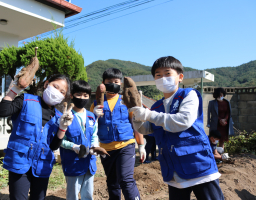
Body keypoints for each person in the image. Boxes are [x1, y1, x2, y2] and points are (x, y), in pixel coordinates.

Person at [130, 56, 224, 200]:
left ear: (180, 77)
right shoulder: (156, 106)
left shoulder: (189, 95)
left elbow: (182, 121)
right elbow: (147, 129)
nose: (163, 78)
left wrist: (148, 114)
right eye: (158, 75)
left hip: (198, 166)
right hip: (173, 170)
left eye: (168, 73)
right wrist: (136, 116)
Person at [0, 74, 73, 200]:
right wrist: (15, 89)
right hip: (20, 161)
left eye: (62, 91)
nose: (57, 92)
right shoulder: (26, 101)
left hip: (42, 165)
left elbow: (53, 146)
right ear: (47, 84)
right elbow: (1, 112)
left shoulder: (59, 116)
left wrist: (62, 128)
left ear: (64, 96)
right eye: (55, 86)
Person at [91, 68, 145, 200]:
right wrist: (94, 115)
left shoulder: (126, 101)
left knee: (126, 180)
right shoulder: (95, 104)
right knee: (112, 183)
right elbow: (90, 127)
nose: (113, 83)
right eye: (109, 81)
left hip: (126, 145)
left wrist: (141, 145)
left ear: (120, 83)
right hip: (106, 149)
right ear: (103, 83)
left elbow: (136, 124)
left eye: (116, 81)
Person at [60, 80, 99, 200]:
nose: (82, 98)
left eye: (85, 95)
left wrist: (94, 145)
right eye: (79, 94)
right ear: (71, 95)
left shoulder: (91, 116)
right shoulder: (65, 116)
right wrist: (74, 147)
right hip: (73, 162)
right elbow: (60, 139)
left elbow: (94, 134)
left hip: (89, 162)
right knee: (73, 195)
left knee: (88, 194)